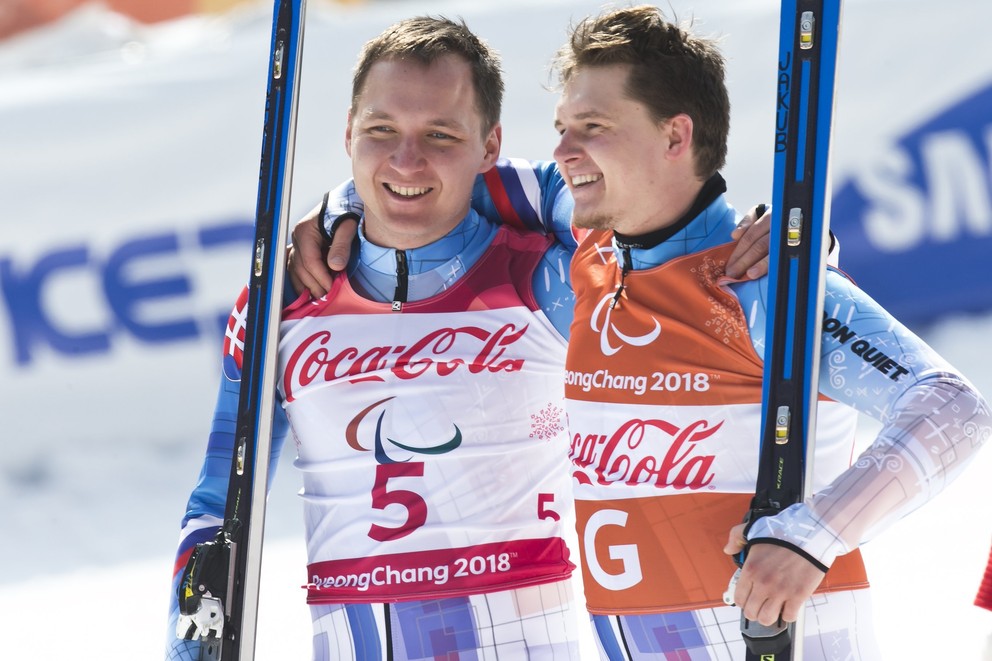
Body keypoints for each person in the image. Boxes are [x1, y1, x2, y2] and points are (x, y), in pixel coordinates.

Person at [292, 5, 992, 660]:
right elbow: (436, 171)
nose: (563, 151)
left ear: (675, 135)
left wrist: (814, 535)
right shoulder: (584, 272)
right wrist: (338, 207)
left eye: (592, 127)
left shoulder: (756, 282)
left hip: (771, 634)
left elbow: (951, 406)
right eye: (563, 127)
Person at [167, 14, 773, 661]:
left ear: (491, 149)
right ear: (348, 133)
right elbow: (216, 505)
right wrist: (191, 637)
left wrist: (793, 256)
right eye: (381, 131)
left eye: (440, 134)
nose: (407, 159)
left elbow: (646, 224)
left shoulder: (547, 278)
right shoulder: (284, 304)